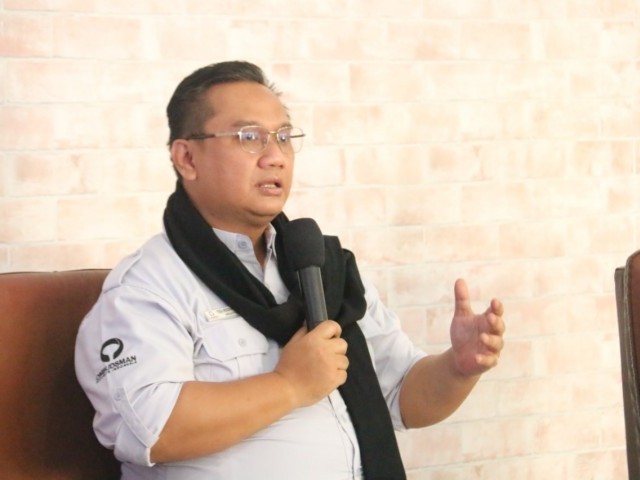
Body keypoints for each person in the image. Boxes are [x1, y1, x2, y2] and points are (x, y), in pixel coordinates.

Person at [74, 60, 505, 480]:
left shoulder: (322, 267)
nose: (275, 156)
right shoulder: (147, 287)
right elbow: (152, 428)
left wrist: (458, 367)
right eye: (249, 137)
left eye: (283, 137)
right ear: (187, 158)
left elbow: (402, 397)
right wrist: (289, 385)